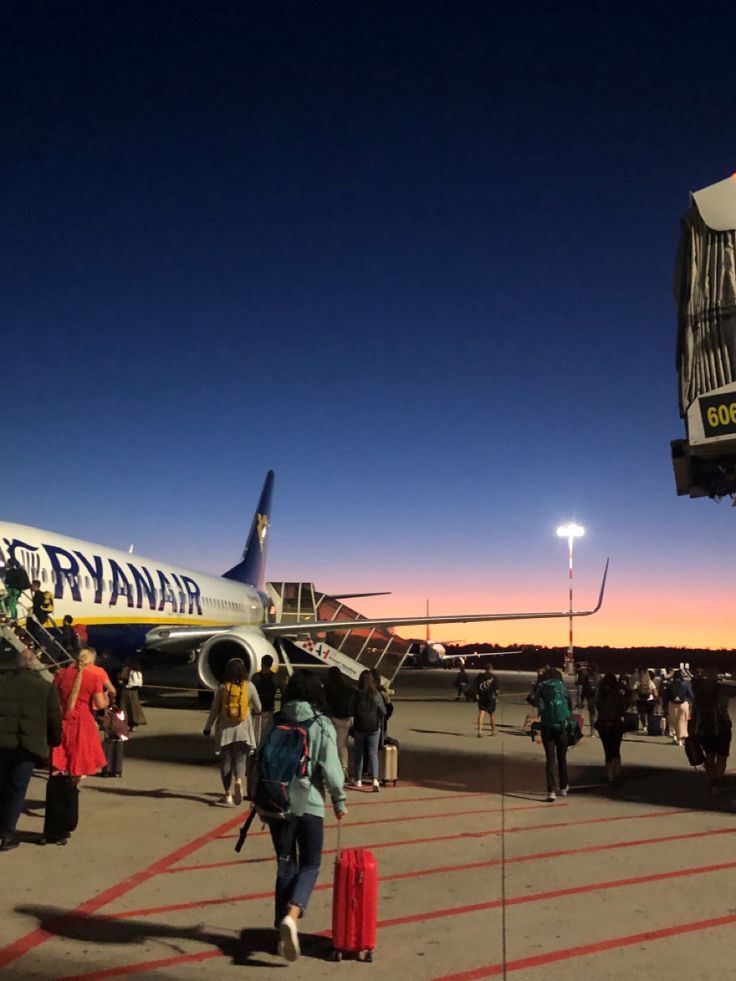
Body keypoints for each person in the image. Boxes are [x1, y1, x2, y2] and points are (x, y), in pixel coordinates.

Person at [262, 670, 346, 962]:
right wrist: (339, 801)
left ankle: (279, 932)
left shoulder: (275, 720)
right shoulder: (322, 724)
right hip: (308, 805)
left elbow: (260, 759)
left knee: (285, 866)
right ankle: (293, 916)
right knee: (310, 864)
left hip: (276, 804)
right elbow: (332, 770)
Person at [0, 647, 62, 850]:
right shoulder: (44, 688)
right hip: (28, 747)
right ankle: (7, 834)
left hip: (2, 744)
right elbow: (54, 719)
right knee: (16, 790)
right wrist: (54, 741)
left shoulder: (2, 682)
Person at [49, 648, 109, 842]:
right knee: (78, 764)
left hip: (62, 721)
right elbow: (100, 704)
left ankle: (57, 801)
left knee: (59, 762)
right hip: (82, 723)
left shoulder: (60, 674)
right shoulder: (93, 678)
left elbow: (53, 697)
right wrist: (106, 697)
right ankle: (70, 797)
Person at [204, 658, 261, 806]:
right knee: (241, 760)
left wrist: (208, 727)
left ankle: (227, 794)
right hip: (243, 730)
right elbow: (258, 707)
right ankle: (239, 781)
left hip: (225, 730)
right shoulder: (249, 686)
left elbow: (214, 710)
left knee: (226, 763)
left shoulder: (222, 688)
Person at [691, 669, 733, 795]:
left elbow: (695, 712)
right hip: (722, 727)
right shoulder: (723, 691)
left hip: (706, 728)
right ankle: (717, 782)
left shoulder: (699, 694)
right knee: (722, 757)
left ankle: (713, 781)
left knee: (709, 756)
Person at [536, 668, 572, 802]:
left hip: (547, 728)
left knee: (550, 759)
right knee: (562, 757)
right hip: (561, 727)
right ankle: (563, 787)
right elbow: (569, 706)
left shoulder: (542, 688)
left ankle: (551, 791)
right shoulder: (562, 688)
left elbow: (536, 703)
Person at [351, 669, 385, 791]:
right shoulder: (376, 694)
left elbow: (352, 710)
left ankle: (358, 779)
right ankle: (375, 779)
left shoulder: (357, 693)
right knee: (373, 753)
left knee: (359, 753)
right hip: (374, 727)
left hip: (359, 727)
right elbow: (383, 711)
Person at [594, 673, 626, 784]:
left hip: (603, 725)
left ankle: (609, 775)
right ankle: (617, 773)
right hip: (616, 724)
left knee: (607, 751)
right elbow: (623, 710)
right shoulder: (618, 695)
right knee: (616, 750)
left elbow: (597, 707)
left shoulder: (601, 695)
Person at [323, 666, 355, 777]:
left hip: (332, 719)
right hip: (345, 719)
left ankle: (331, 768)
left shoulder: (328, 688)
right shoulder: (347, 688)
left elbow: (324, 703)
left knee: (330, 745)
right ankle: (344, 768)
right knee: (343, 745)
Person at [251, 654, 280, 745]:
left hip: (257, 709)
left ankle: (255, 751)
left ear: (261, 664)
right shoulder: (276, 678)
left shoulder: (255, 677)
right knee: (267, 733)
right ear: (271, 664)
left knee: (256, 733)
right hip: (270, 709)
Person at [666, 668, 694, 746]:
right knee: (682, 722)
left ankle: (675, 736)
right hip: (684, 704)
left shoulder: (670, 684)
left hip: (672, 704)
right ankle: (681, 739)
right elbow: (691, 695)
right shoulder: (685, 684)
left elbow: (666, 696)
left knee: (673, 721)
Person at [118, 655, 147, 730]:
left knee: (125, 707)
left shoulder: (126, 668)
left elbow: (122, 678)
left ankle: (126, 723)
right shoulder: (137, 669)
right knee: (134, 706)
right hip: (134, 691)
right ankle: (134, 723)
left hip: (126, 690)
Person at [474, 663, 499, 737]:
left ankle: (480, 731)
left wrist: (477, 694)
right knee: (492, 715)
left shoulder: (480, 676)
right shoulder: (494, 677)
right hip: (491, 698)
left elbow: (476, 686)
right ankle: (493, 731)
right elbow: (497, 690)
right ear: (491, 669)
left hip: (482, 697)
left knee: (481, 714)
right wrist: (496, 696)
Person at [582, 664, 600, 736]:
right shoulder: (600, 677)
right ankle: (595, 729)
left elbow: (584, 689)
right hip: (597, 698)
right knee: (596, 714)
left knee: (592, 714)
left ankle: (592, 730)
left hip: (590, 698)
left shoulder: (586, 677)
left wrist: (582, 700)